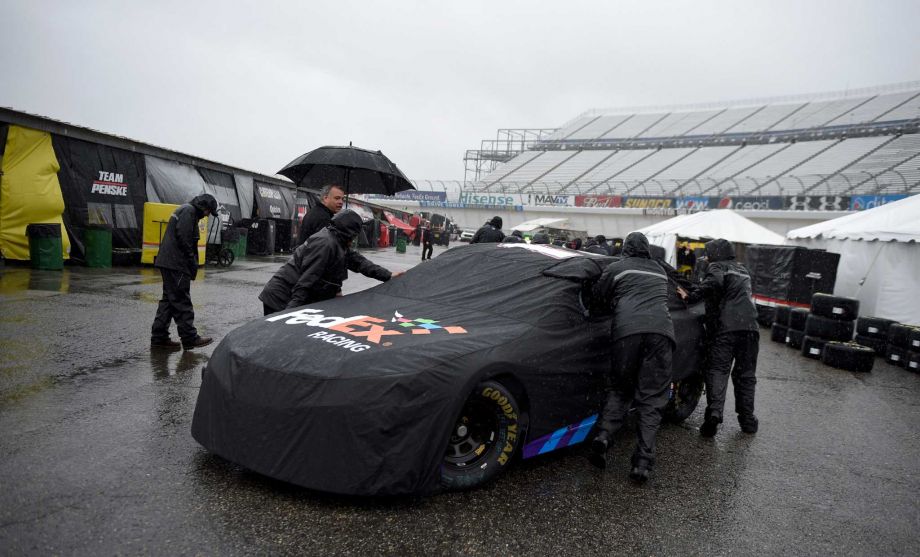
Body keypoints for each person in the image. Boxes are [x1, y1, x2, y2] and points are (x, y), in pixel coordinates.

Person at [589, 232, 675, 483]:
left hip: (627, 333)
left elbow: (598, 298)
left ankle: (603, 437)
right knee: (652, 399)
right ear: (647, 249)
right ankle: (642, 464)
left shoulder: (617, 268)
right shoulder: (659, 270)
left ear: (625, 248)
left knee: (620, 387)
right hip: (661, 334)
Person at [685, 239, 760, 437]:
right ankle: (747, 421)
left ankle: (714, 413)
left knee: (718, 370)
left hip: (726, 327)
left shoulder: (717, 266)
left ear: (716, 253)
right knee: (746, 375)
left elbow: (714, 283)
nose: (707, 257)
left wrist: (691, 296)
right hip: (751, 327)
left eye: (709, 253)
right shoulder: (742, 270)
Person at [259, 210, 397, 315]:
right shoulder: (326, 244)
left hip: (291, 297)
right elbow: (307, 282)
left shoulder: (337, 240)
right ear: (347, 232)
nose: (354, 239)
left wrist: (388, 275)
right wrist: (287, 315)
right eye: (354, 235)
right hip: (280, 299)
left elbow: (358, 262)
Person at [151, 193, 218, 350]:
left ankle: (159, 337)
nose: (207, 215)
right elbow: (184, 238)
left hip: (169, 261)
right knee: (181, 300)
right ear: (204, 207)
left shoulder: (185, 209)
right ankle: (190, 337)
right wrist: (191, 261)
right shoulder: (189, 212)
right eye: (209, 211)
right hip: (176, 263)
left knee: (168, 301)